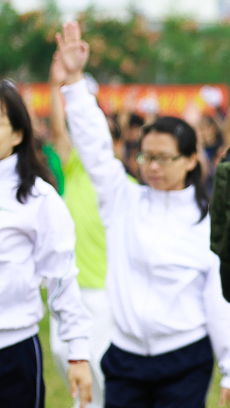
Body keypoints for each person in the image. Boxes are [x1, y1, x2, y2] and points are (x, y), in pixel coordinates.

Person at [57, 21, 230, 408]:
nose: (152, 167)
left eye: (163, 158)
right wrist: (74, 82)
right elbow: (93, 146)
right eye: (146, 157)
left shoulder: (207, 221)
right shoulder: (122, 199)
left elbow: (220, 302)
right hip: (124, 356)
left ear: (192, 160)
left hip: (185, 357)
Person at [0, 80, 94, 408]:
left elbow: (61, 276)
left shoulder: (37, 197)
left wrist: (78, 353)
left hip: (12, 350)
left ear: (18, 133)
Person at [45, 54, 112, 407]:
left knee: (96, 361)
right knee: (62, 352)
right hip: (67, 282)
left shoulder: (119, 179)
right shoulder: (73, 168)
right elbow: (59, 130)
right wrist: (58, 84)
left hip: (102, 287)